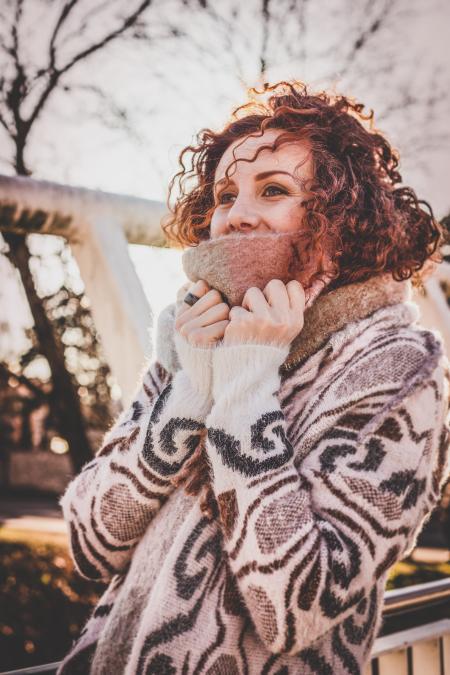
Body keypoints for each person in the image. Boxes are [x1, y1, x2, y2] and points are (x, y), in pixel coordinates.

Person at [57, 81, 450, 675]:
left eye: (273, 190)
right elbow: (90, 543)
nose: (237, 216)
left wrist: (244, 386)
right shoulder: (191, 336)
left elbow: (293, 607)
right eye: (223, 195)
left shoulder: (398, 368)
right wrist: (190, 390)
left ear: (342, 219)